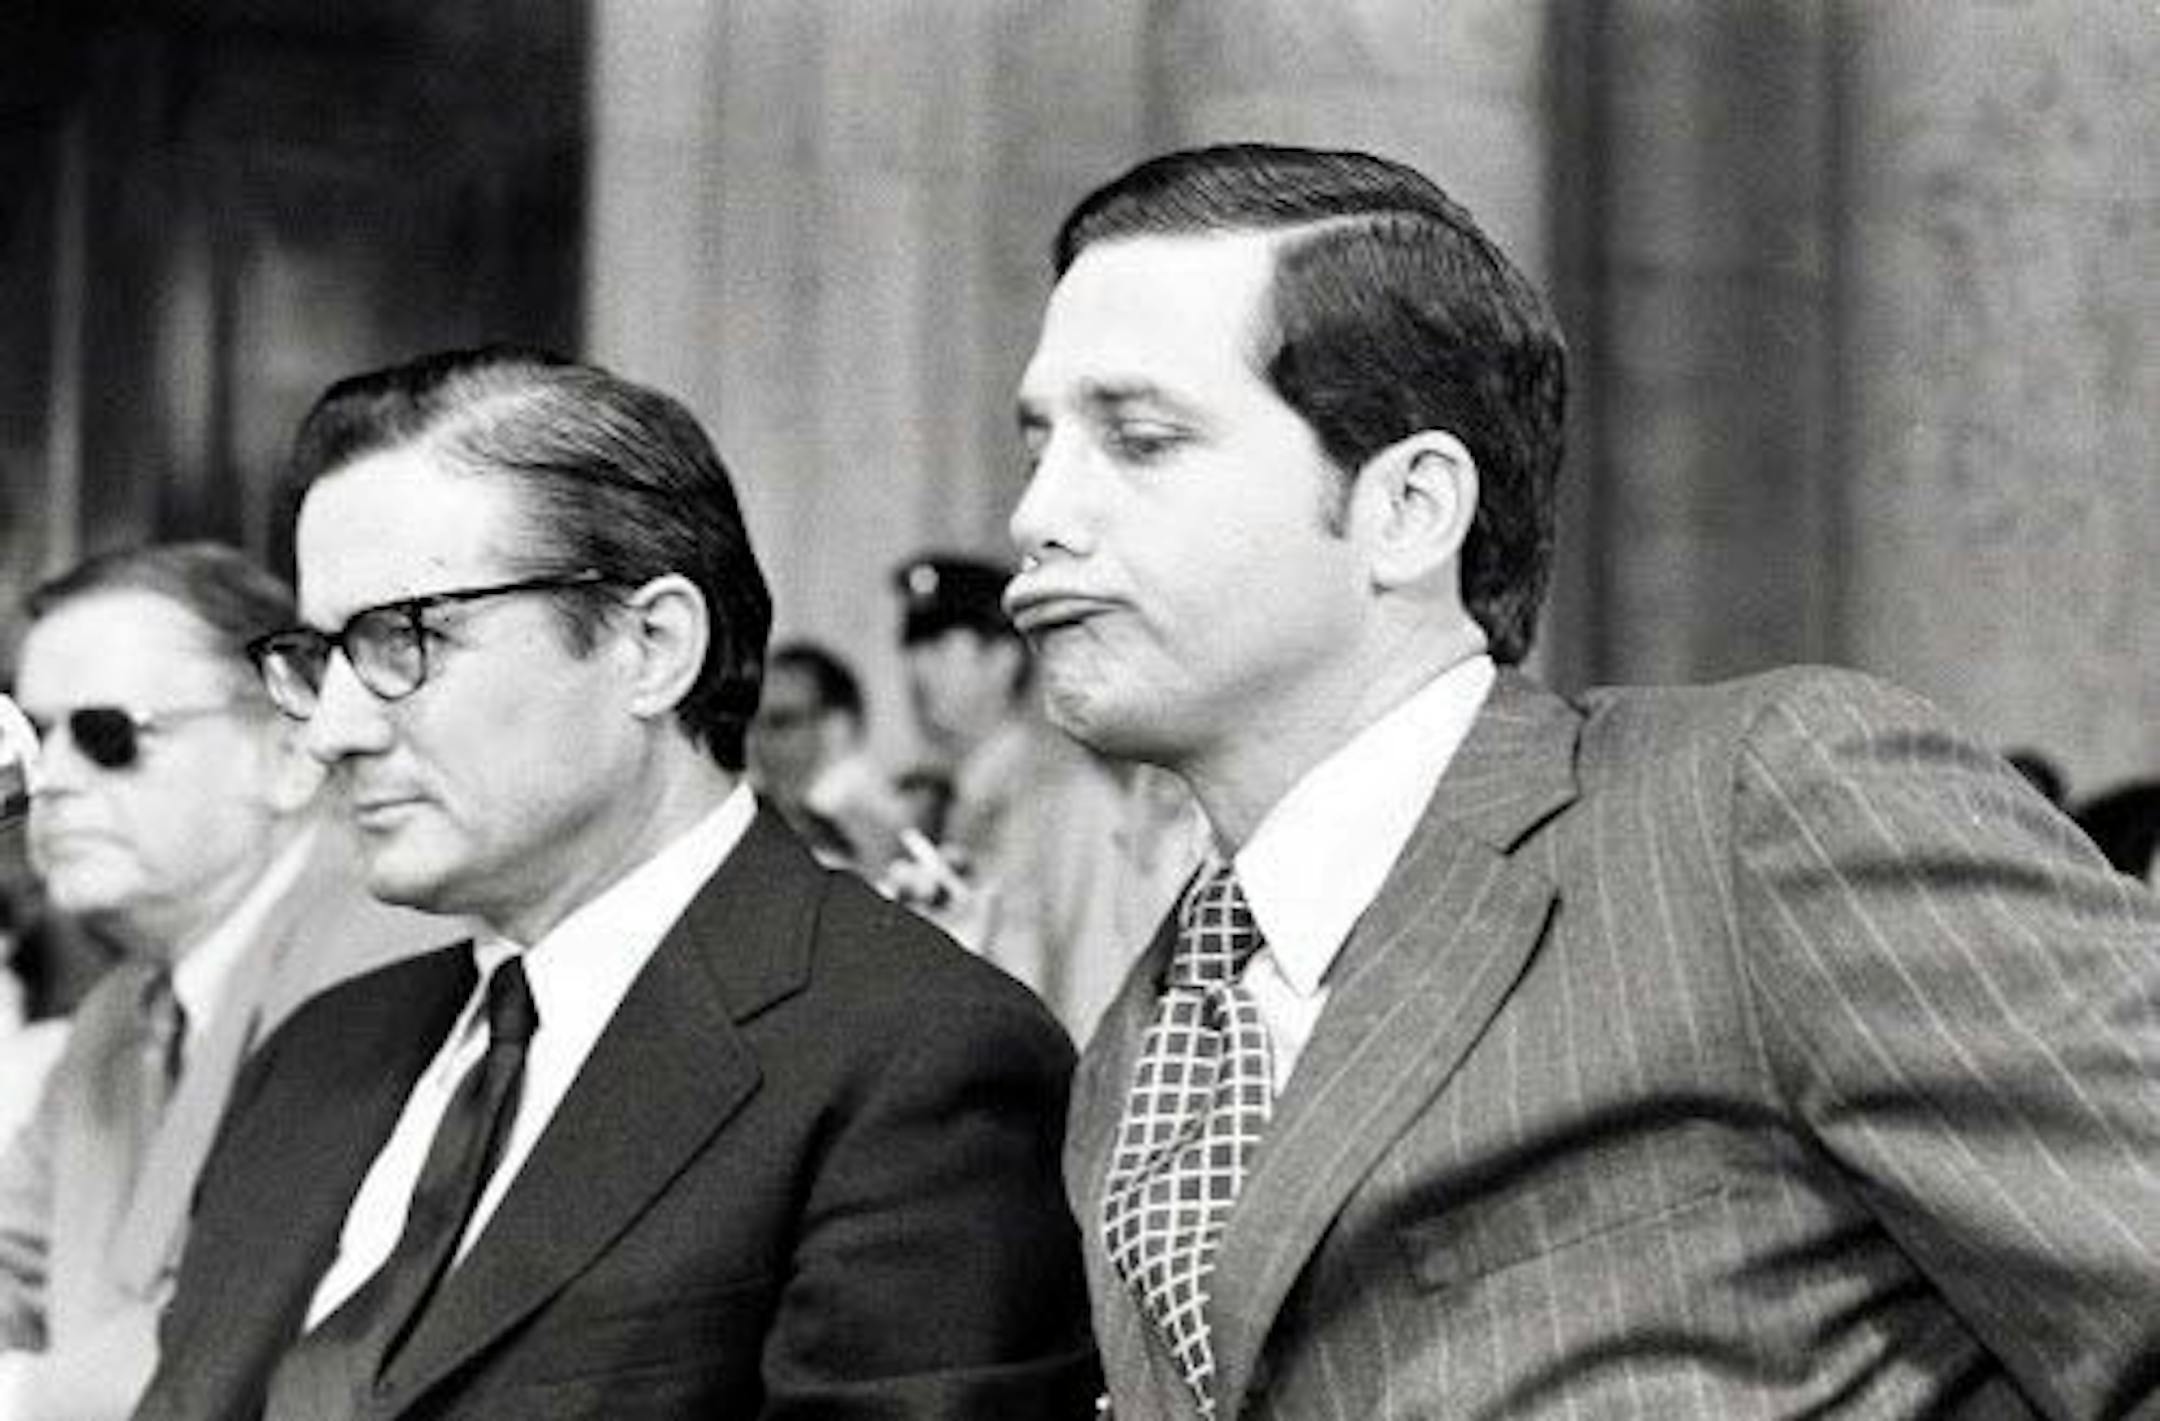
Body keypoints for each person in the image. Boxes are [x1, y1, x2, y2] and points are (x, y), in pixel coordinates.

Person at [1007, 143, 2160, 1420]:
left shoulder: (1754, 812)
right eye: (1039, 443)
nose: (1040, 513)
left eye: (1143, 438)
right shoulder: (1148, 1036)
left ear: (1410, 507)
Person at [135, 348, 1094, 1420]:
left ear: (651, 644)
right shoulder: (320, 1054)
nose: (334, 728)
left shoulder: (913, 1053)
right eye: (319, 657)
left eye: (407, 636)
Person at [0, 543, 450, 1421]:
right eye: (33, 733)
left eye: (107, 734)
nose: (49, 783)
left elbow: (244, 1330)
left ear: (287, 755)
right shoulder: (115, 1014)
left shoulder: (391, 962)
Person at [891, 554, 1199, 1043]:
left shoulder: (1067, 795)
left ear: (1003, 658)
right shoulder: (940, 800)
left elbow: (1093, 983)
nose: (915, 667)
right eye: (910, 646)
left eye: (939, 645)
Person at [746, 640, 911, 871]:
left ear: (837, 727)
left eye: (781, 722)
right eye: (751, 725)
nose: (757, 743)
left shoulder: (881, 828)